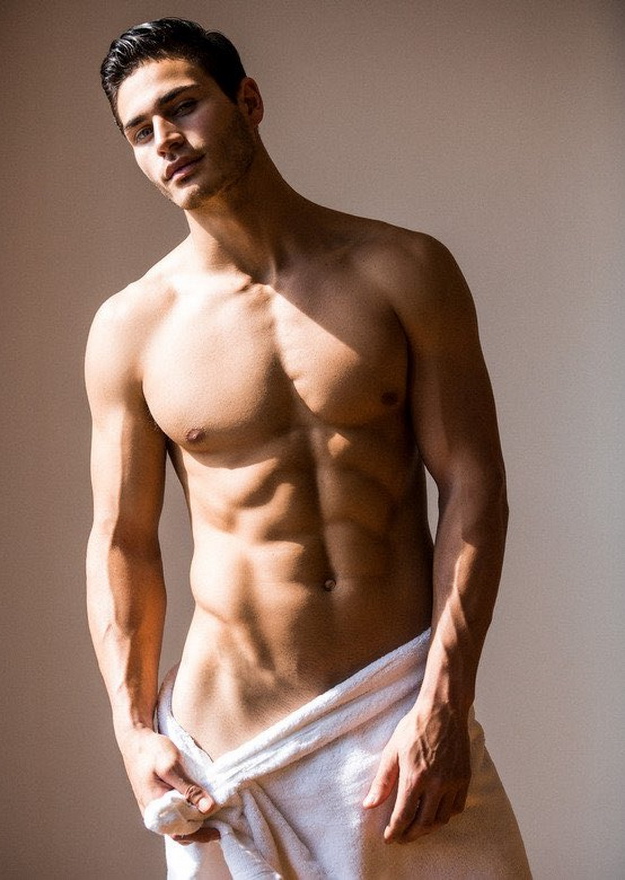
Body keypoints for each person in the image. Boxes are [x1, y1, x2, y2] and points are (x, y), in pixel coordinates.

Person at [86, 17, 531, 879]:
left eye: (182, 107)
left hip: (396, 716)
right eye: (139, 131)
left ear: (247, 101)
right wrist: (131, 731)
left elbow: (475, 489)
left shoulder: (402, 269)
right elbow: (121, 541)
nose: (163, 139)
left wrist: (445, 702)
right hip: (228, 751)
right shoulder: (131, 327)